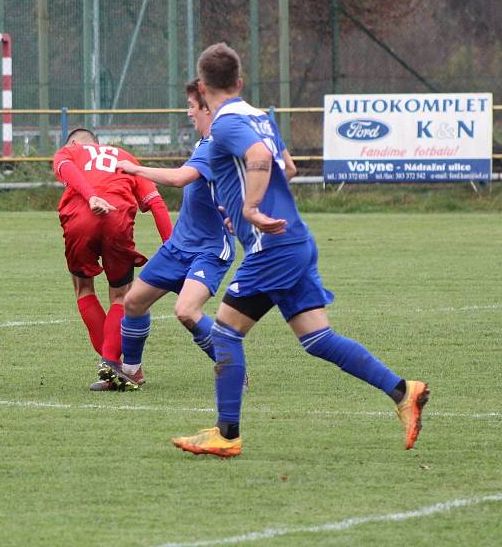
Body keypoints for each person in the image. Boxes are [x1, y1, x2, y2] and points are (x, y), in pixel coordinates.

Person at [172, 43, 429, 457]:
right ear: (239, 82)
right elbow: (285, 167)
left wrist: (251, 208)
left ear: (202, 87)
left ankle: (227, 433)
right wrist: (247, 203)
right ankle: (403, 391)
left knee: (223, 332)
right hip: (295, 240)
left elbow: (256, 157)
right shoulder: (260, 117)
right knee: (317, 339)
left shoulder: (224, 124)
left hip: (271, 248)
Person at [98, 79, 238, 390]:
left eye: (191, 106)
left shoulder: (217, 144)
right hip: (179, 246)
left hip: (209, 250)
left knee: (186, 311)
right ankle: (131, 371)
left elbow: (179, 178)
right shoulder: (205, 143)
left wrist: (136, 169)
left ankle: (232, 366)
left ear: (208, 108)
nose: (188, 113)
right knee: (133, 302)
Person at [53, 127, 173, 390]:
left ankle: (111, 364)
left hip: (80, 219)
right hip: (117, 219)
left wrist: (91, 196)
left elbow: (66, 169)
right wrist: (173, 246)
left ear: (75, 143)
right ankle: (111, 361)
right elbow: (156, 203)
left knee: (83, 289)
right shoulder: (124, 156)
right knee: (120, 296)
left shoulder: (70, 150)